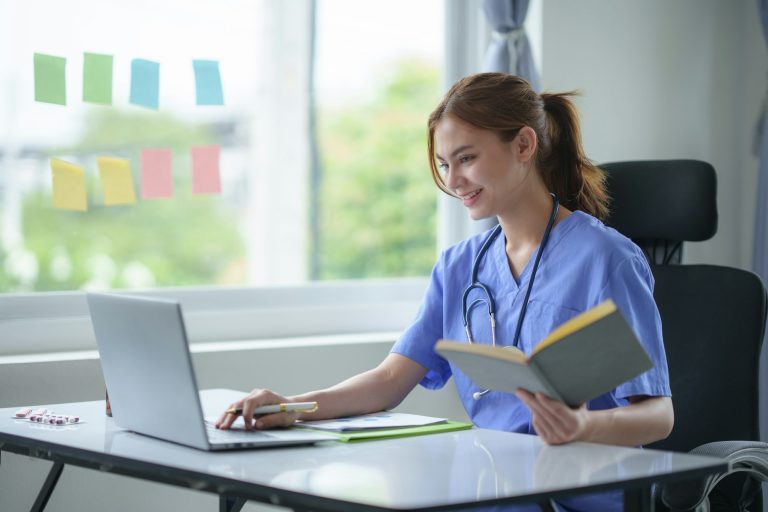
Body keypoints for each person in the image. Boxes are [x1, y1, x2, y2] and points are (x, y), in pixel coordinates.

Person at [217, 72, 674, 511]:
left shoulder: (606, 259)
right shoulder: (459, 267)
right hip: (495, 486)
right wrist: (293, 407)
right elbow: (389, 380)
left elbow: (658, 417)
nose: (453, 181)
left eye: (467, 158)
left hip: (582, 494)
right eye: (443, 164)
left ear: (523, 145)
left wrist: (580, 426)